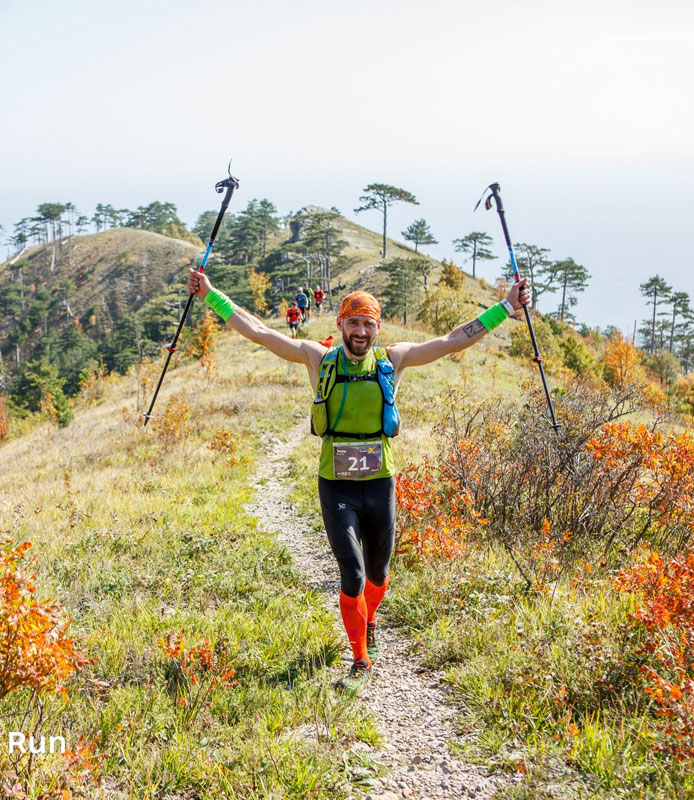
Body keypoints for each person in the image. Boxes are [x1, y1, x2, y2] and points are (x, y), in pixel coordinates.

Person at [189, 270, 530, 694]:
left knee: (379, 574)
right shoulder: (318, 358)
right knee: (352, 575)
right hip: (337, 485)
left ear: (378, 327)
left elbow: (454, 340)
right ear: (340, 325)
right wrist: (211, 296)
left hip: (381, 482)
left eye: (368, 323)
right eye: (354, 323)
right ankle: (360, 660)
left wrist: (506, 307)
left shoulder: (394, 360)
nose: (361, 331)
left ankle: (369, 617)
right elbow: (259, 332)